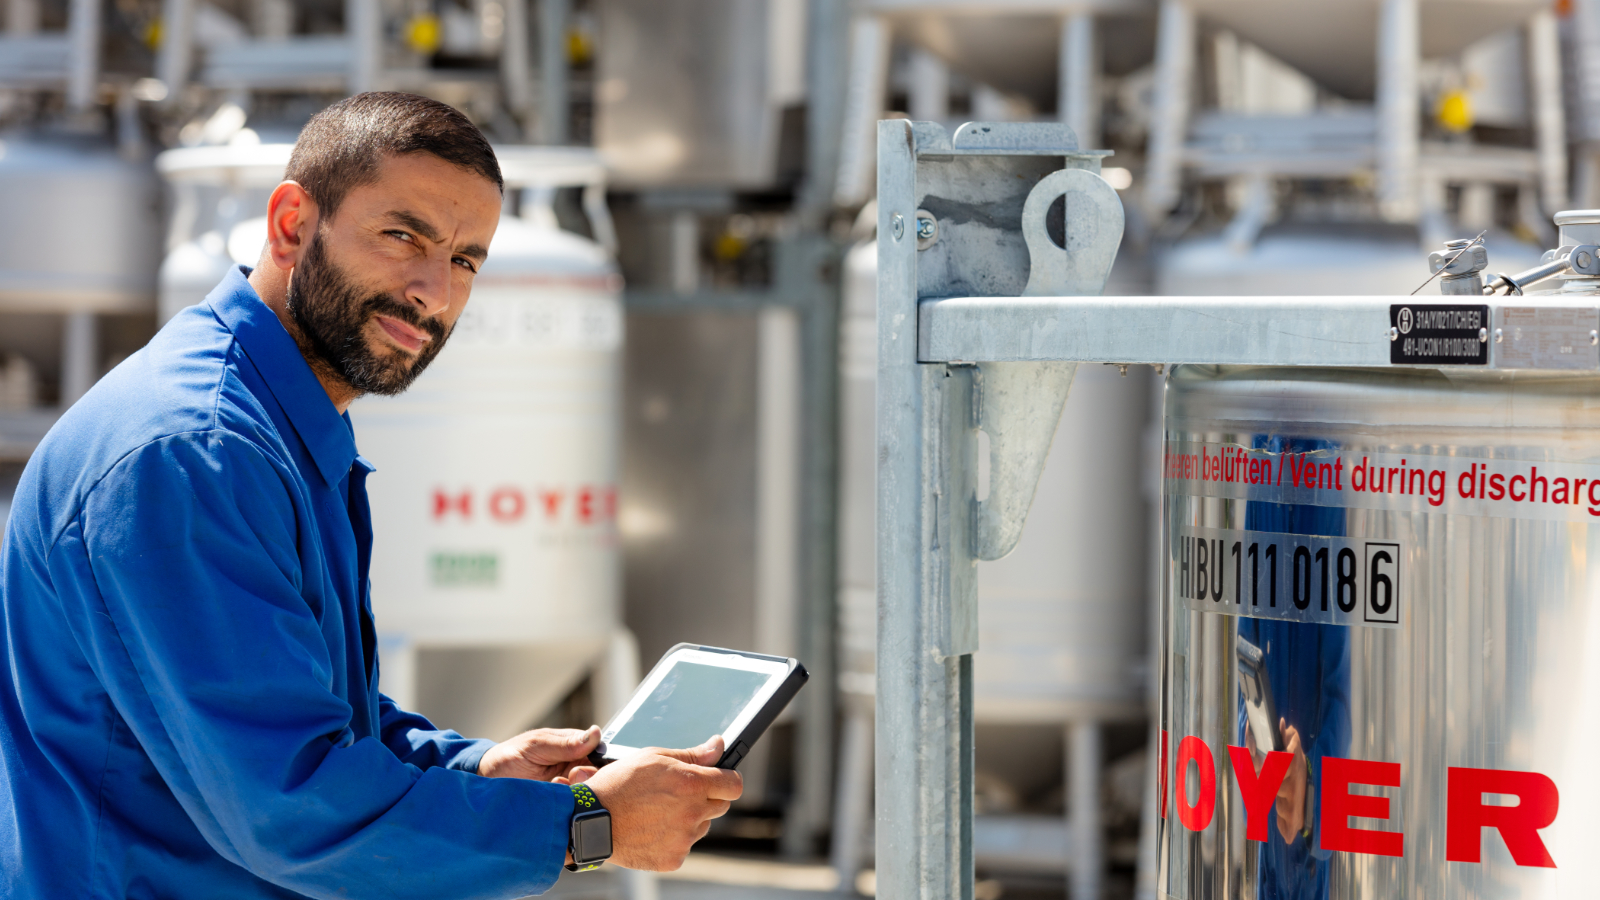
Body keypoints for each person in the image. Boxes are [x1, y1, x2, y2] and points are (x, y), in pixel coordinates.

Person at [0, 92, 741, 899]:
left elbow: (306, 713)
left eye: (464, 260)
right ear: (291, 225)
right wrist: (584, 828)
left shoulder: (273, 422)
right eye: (403, 236)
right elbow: (290, 804)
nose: (434, 291)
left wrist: (480, 768)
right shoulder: (194, 454)